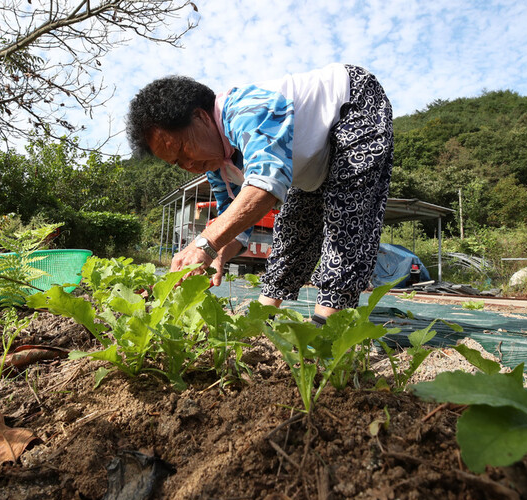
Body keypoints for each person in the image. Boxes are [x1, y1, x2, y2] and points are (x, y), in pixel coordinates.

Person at [126, 63, 393, 325]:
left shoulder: (245, 109)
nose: (188, 165)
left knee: (347, 215)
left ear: (201, 117)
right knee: (293, 228)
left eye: (183, 150)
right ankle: (261, 319)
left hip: (352, 102)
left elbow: (266, 184)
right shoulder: (218, 168)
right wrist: (218, 252)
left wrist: (205, 243)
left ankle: (328, 329)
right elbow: (235, 224)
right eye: (177, 163)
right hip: (312, 164)